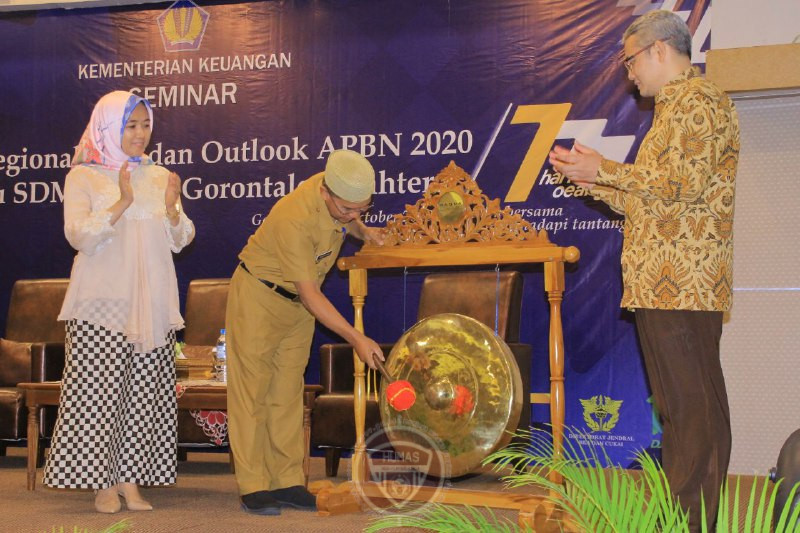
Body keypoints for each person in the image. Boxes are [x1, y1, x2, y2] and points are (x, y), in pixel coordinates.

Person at [548, 10, 739, 531]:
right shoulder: (675, 110)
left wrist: (605, 169)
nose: (628, 72)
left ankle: (683, 522)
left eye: (630, 60)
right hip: (667, 281)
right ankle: (689, 519)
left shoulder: (698, 102)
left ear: (658, 51)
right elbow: (652, 199)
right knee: (688, 408)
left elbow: (685, 184)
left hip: (681, 283)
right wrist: (592, 179)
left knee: (689, 411)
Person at [43, 91, 195, 514]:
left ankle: (130, 481)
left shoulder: (159, 175)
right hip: (101, 304)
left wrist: (171, 210)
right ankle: (102, 484)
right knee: (97, 395)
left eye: (146, 126)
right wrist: (122, 201)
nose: (140, 135)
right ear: (108, 126)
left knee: (144, 395)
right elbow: (79, 235)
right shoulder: (83, 177)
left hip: (152, 304)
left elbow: (181, 240)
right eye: (131, 126)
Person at [225, 149, 385, 515]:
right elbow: (312, 292)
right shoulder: (293, 216)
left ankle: (287, 481)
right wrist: (356, 338)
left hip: (297, 309)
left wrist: (364, 231)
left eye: (363, 208)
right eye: (347, 209)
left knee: (286, 393)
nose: (353, 215)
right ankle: (253, 486)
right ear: (326, 193)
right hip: (259, 298)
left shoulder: (340, 197)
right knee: (252, 394)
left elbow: (348, 222)